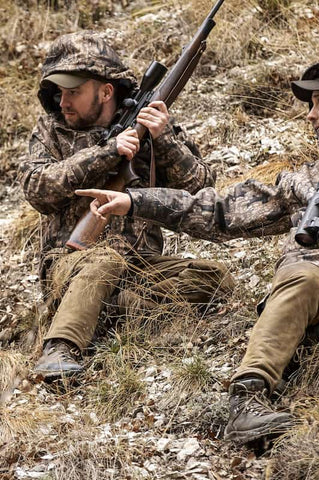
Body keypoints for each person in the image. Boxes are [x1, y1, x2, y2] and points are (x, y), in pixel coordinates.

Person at [76, 62, 319, 443]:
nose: (310, 114)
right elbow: (220, 211)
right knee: (302, 277)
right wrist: (135, 200)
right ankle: (247, 400)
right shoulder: (302, 178)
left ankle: (312, 333)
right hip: (309, 277)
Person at [21, 31, 233, 381]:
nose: (63, 102)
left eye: (73, 91)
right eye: (58, 92)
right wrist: (107, 153)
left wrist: (165, 141)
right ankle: (59, 348)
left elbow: (202, 191)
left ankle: (112, 309)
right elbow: (36, 189)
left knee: (214, 277)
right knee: (103, 260)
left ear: (106, 91)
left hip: (139, 265)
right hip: (70, 263)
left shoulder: (153, 125)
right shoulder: (50, 130)